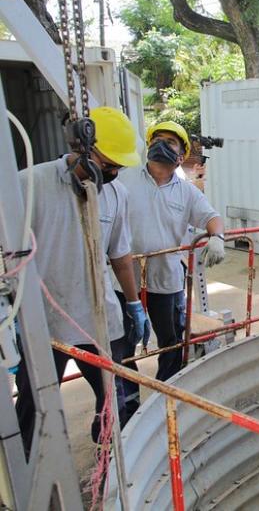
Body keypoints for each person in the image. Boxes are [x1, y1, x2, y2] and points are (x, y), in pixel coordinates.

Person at [14, 107, 147, 455]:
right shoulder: (29, 184)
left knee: (118, 398)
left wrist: (133, 304)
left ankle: (113, 458)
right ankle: (23, 477)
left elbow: (120, 256)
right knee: (33, 407)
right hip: (45, 322)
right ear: (80, 146)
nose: (114, 172)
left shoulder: (116, 195)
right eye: (108, 164)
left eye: (119, 166)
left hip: (99, 319)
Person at [117, 121, 224, 400]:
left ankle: (162, 402)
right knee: (121, 348)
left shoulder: (186, 191)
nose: (161, 145)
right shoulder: (124, 179)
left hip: (164, 281)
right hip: (122, 279)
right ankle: (129, 406)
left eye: (170, 142)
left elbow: (212, 217)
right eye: (157, 139)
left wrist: (217, 237)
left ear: (180, 156)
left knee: (171, 345)